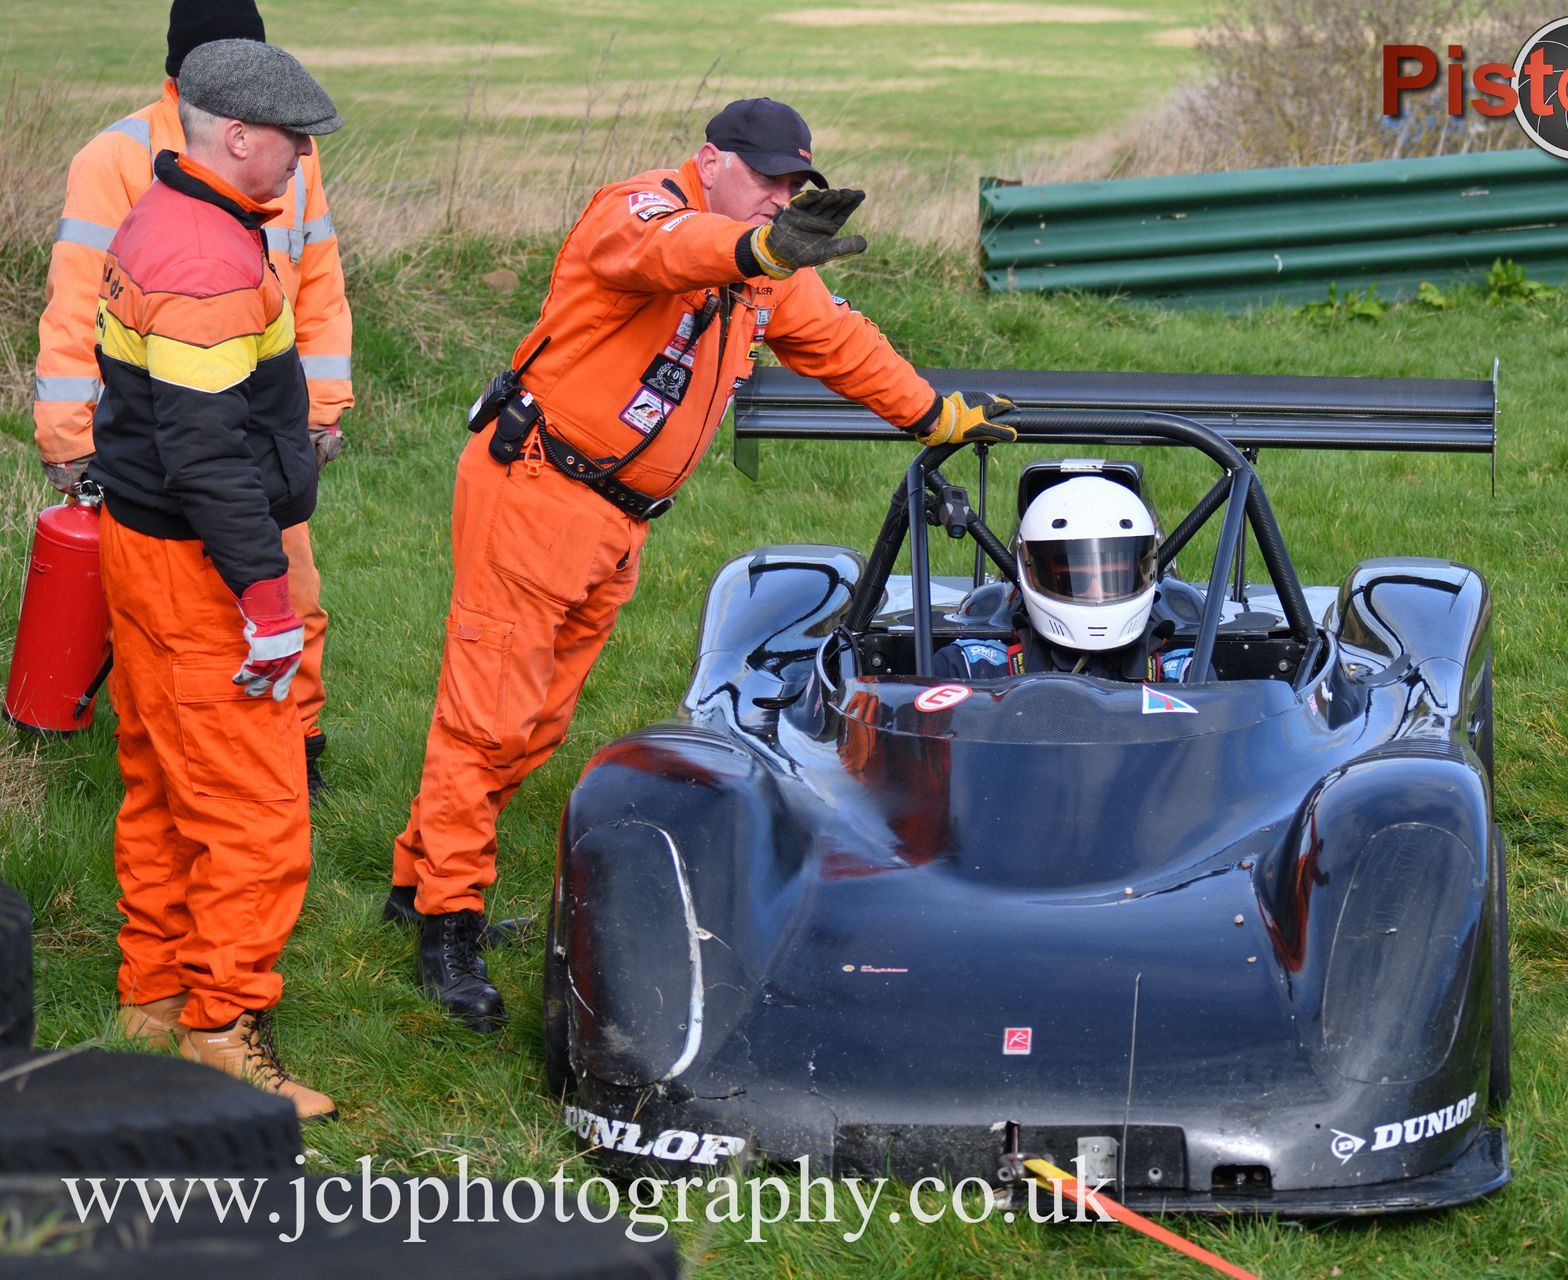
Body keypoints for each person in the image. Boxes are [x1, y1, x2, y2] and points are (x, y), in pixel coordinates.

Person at [388, 97, 1016, 1031]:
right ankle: (447, 922)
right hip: (537, 491)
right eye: (763, 179)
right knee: (489, 719)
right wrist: (752, 251)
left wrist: (933, 414)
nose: (777, 198)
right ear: (709, 161)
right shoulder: (639, 212)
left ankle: (419, 880)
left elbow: (838, 341)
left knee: (533, 722)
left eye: (792, 186)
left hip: (614, 518)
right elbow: (667, 253)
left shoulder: (766, 263)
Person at [91, 38, 343, 1121]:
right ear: (237, 135)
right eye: (293, 140)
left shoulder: (167, 216)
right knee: (253, 807)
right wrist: (269, 603)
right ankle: (221, 1031)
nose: (301, 159)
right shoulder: (205, 255)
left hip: (140, 553)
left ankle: (149, 997)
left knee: (158, 777)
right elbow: (208, 455)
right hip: (201, 567)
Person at [34, 0, 352, 796]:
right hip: (168, 432)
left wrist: (320, 408)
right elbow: (76, 306)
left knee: (291, 591)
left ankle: (295, 739)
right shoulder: (118, 156)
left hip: (262, 422)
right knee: (186, 614)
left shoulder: (286, 151)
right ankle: (208, 762)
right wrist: (71, 440)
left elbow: (318, 283)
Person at [933, 476, 1202, 681]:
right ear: (1030, 570)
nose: (1097, 591)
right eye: (1075, 579)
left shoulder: (1184, 676)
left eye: (1113, 577)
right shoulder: (969, 669)